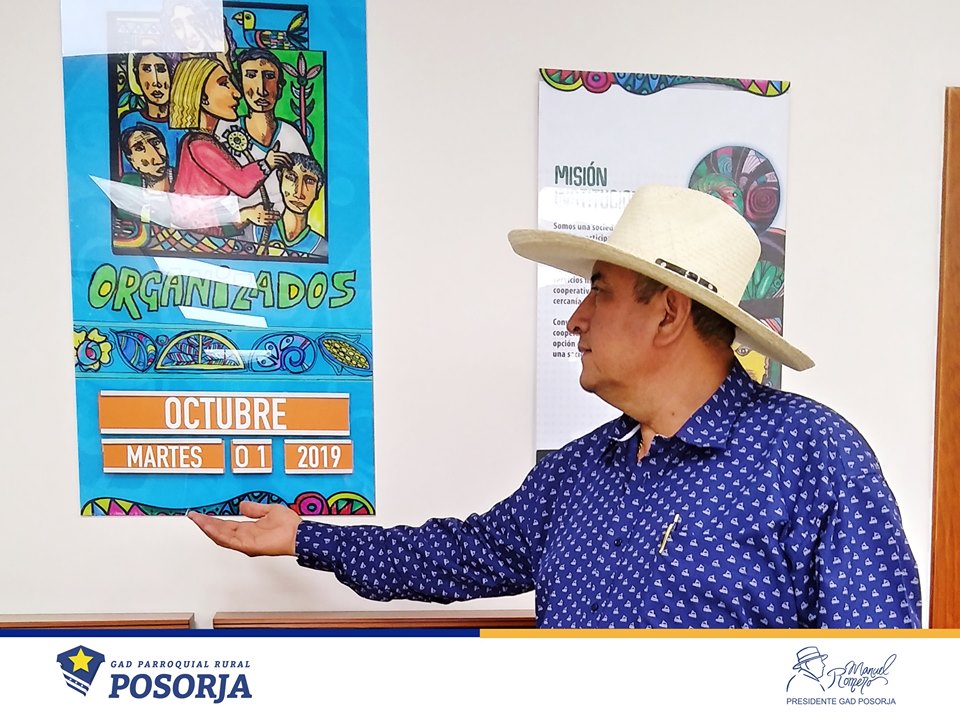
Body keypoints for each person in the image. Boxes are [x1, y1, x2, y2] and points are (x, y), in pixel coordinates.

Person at [189, 185, 922, 629]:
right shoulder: (578, 473)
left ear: (668, 314)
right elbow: (457, 557)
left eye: (598, 292)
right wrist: (305, 537)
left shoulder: (814, 457)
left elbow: (875, 678)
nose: (575, 320)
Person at [168, 56, 289, 235]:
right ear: (203, 98)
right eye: (224, 84)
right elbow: (242, 183)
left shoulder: (205, 139)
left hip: (205, 228)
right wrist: (267, 163)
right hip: (198, 233)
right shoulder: (199, 144)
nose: (237, 93)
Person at [216, 48, 310, 212]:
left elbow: (309, 184)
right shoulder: (224, 130)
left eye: (269, 76)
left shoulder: (291, 135)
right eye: (251, 75)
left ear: (279, 87)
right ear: (240, 84)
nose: (261, 89)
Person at [263, 152, 327, 259]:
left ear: (318, 189)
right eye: (291, 177)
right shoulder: (256, 231)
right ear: (280, 179)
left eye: (309, 181)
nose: (298, 193)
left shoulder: (323, 248)